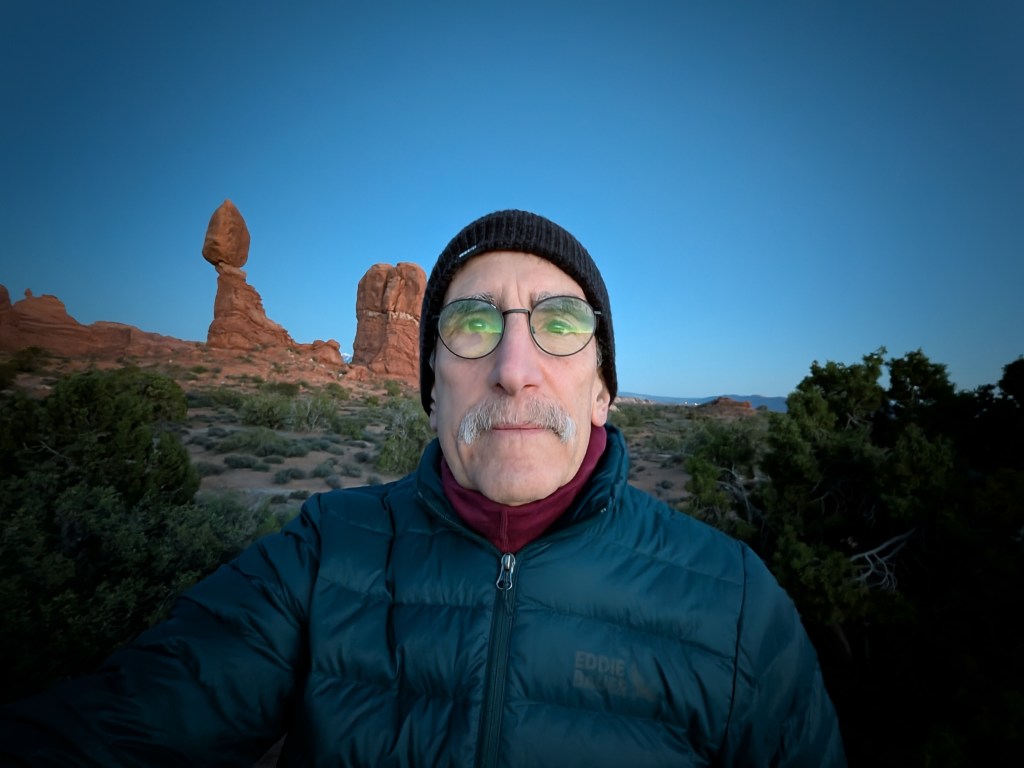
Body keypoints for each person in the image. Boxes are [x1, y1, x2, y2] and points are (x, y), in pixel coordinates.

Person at [0, 210, 846, 766]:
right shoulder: (324, 554)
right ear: (433, 387)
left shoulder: (735, 604)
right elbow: (122, 727)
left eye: (558, 325)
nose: (514, 371)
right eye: (473, 325)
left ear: (602, 389)